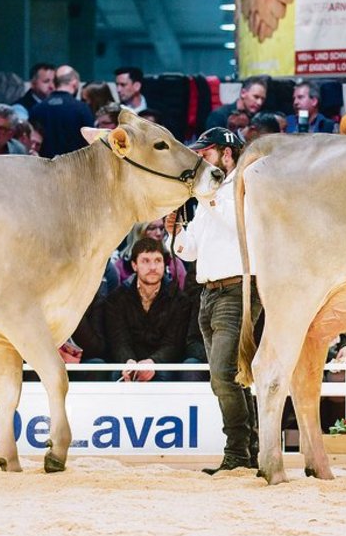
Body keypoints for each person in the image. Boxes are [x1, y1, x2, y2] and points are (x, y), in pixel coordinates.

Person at [171, 127, 260, 475]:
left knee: (223, 376)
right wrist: (175, 233)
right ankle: (248, 451)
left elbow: (242, 226)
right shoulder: (210, 193)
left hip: (239, 289)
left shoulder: (245, 185)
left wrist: (204, 196)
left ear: (226, 153)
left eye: (205, 153)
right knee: (234, 376)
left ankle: (237, 450)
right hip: (209, 292)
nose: (199, 160)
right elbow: (189, 252)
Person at [104, 237, 197, 383]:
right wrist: (128, 362)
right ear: (134, 265)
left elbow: (173, 343)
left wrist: (153, 362)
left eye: (157, 261)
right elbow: (119, 340)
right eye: (146, 261)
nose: (153, 267)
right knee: (119, 376)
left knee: (161, 376)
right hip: (128, 363)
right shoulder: (117, 298)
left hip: (163, 366)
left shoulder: (179, 299)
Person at [29, 65, 96, 157]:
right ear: (75, 83)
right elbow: (92, 144)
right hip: (74, 168)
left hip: (44, 167)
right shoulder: (82, 109)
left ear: (54, 83)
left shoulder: (36, 109)